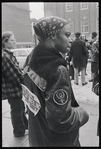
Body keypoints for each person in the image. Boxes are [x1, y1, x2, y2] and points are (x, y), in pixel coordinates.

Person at [22, 16, 89, 147]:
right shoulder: (58, 70)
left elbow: (30, 101)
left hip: (37, 136)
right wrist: (83, 114)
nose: (70, 40)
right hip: (57, 141)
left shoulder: (30, 60)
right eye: (67, 34)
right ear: (53, 35)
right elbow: (61, 121)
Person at [2, 31, 28, 137]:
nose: (15, 42)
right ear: (5, 42)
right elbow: (15, 75)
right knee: (17, 110)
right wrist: (24, 79)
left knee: (20, 107)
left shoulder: (7, 54)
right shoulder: (5, 56)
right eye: (12, 40)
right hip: (13, 89)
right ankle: (19, 132)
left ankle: (25, 127)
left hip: (13, 88)